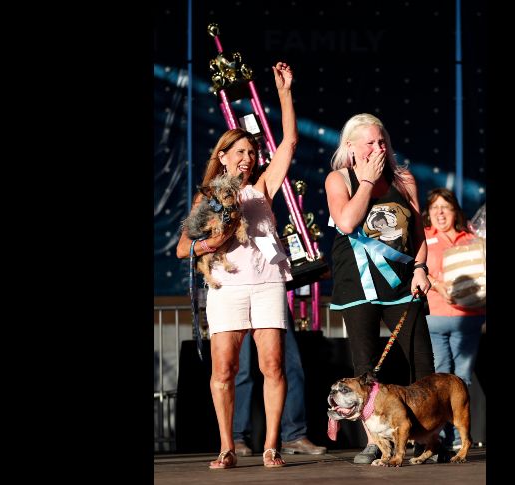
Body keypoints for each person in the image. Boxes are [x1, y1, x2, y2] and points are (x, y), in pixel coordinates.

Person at [175, 61, 296, 469]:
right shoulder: (206, 197)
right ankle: (227, 446)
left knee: (272, 364)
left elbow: (290, 143)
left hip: (266, 283)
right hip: (226, 287)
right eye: (241, 151)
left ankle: (272, 445)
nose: (249, 157)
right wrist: (213, 241)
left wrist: (284, 92)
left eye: (253, 151)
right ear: (223, 157)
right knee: (224, 368)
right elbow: (182, 249)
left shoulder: (261, 187)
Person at [324, 113, 435, 464]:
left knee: (422, 360)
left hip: (403, 281)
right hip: (356, 282)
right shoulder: (338, 179)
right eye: (370, 142)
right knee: (366, 366)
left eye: (383, 141)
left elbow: (418, 231)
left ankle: (427, 437)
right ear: (351, 147)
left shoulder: (403, 179)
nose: (379, 147)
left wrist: (420, 267)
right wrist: (367, 183)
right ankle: (375, 441)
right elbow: (346, 221)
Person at [422, 188, 486, 451]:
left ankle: (460, 437)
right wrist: (438, 285)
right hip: (435, 318)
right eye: (434, 207)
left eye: (445, 207)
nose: (439, 213)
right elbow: (417, 270)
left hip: (468, 319)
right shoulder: (423, 238)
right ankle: (441, 435)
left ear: (455, 211)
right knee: (441, 378)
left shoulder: (471, 238)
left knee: (463, 379)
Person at [232, 305, 327, 457]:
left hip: (271, 289)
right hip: (237, 291)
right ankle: (236, 438)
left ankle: (294, 435)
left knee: (290, 366)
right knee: (241, 369)